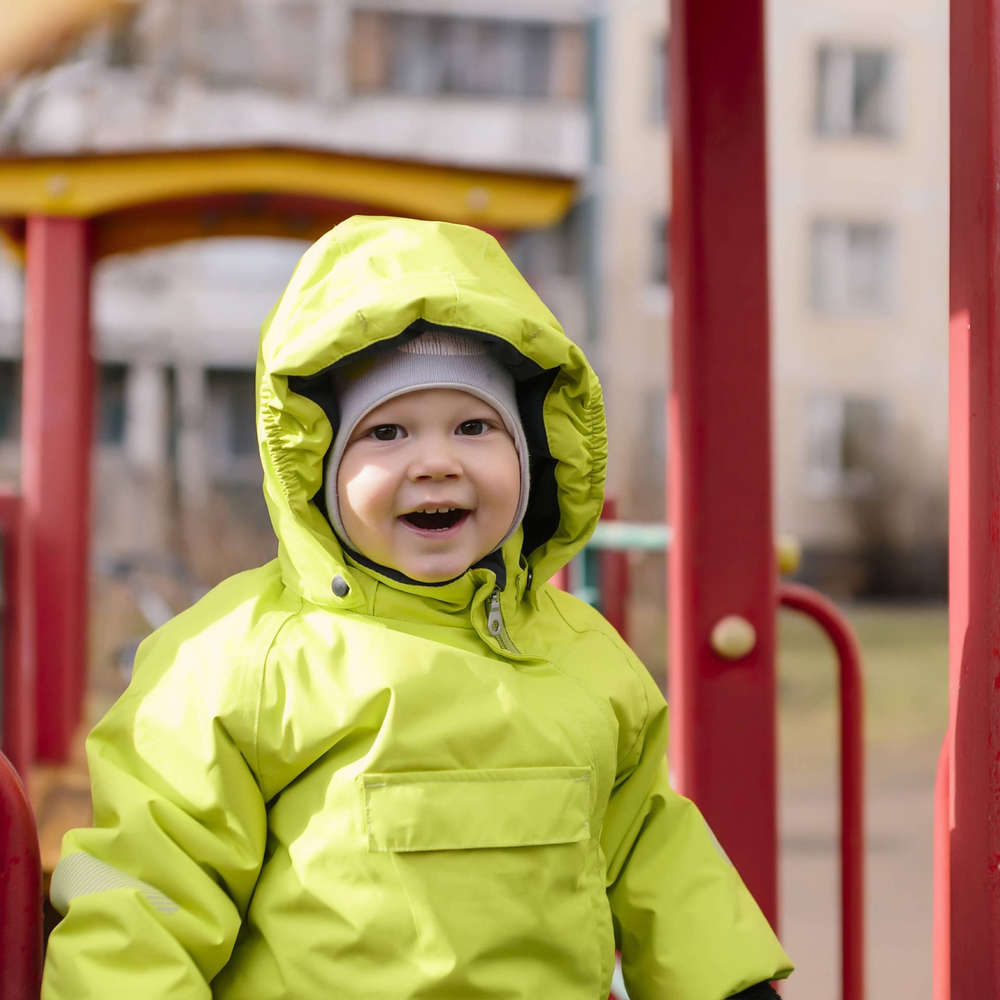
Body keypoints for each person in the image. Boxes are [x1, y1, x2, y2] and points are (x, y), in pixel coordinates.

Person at [42, 215, 792, 999]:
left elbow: (649, 846)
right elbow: (146, 897)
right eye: (387, 432)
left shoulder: (581, 654)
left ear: (530, 453)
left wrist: (729, 984)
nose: (436, 462)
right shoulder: (240, 663)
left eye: (474, 426)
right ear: (316, 465)